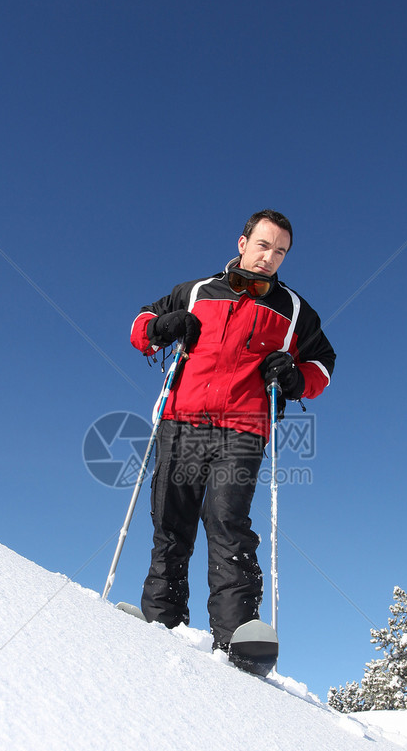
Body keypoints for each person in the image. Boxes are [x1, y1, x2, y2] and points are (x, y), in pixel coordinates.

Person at [130, 209, 335, 668]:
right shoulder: (197, 291)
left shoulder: (294, 310)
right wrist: (161, 328)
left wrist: (296, 377)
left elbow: (323, 363)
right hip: (181, 420)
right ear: (242, 243)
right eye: (263, 245)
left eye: (280, 251)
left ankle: (237, 639)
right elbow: (141, 323)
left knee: (226, 522)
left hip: (243, 428)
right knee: (169, 521)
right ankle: (161, 625)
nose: (269, 257)